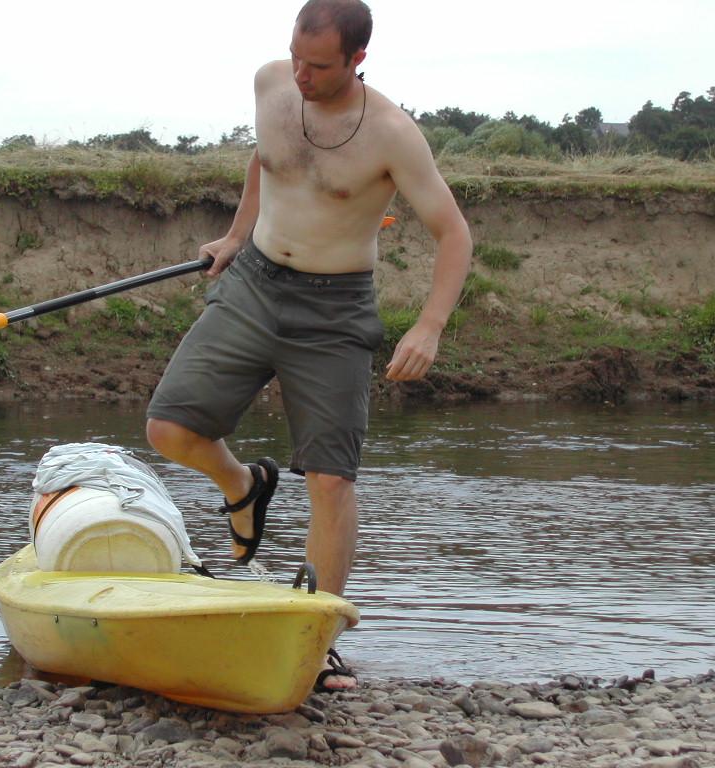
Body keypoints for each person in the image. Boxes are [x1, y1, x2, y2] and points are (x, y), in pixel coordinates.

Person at [145, 0, 472, 691]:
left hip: (334, 309)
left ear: (357, 61)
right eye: (295, 56)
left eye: (318, 66)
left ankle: (315, 635)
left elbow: (453, 233)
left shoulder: (391, 133)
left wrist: (430, 324)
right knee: (169, 429)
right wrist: (236, 238)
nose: (301, 74)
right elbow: (266, 159)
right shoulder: (271, 84)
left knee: (330, 478)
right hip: (255, 284)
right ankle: (243, 484)